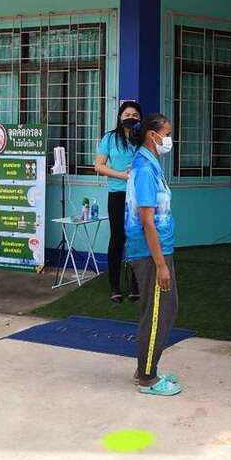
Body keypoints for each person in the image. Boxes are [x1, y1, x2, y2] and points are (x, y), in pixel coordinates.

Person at [125, 113, 181, 396]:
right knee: (158, 312)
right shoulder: (145, 169)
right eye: (166, 134)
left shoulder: (149, 164)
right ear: (152, 135)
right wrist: (160, 265)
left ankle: (145, 367)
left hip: (158, 249)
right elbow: (147, 220)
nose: (169, 139)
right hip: (150, 253)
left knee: (164, 309)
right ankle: (147, 377)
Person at [95, 100, 143, 304]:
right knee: (117, 238)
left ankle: (135, 284)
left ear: (140, 119)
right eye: (127, 115)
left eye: (135, 115)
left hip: (139, 195)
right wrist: (122, 175)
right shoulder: (109, 138)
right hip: (117, 194)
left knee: (136, 237)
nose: (131, 118)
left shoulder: (143, 138)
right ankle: (115, 286)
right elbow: (99, 166)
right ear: (120, 117)